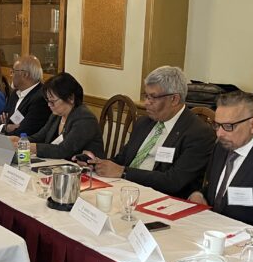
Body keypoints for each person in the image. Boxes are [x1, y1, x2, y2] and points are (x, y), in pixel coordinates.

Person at [85, 66, 215, 199]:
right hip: (124, 190)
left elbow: (174, 181)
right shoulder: (145, 123)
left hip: (162, 200)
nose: (146, 103)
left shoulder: (198, 133)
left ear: (174, 99)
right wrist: (95, 164)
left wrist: (124, 172)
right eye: (146, 96)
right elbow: (121, 160)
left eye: (153, 97)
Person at [187, 91, 253, 230]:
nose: (220, 133)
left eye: (228, 126)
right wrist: (199, 194)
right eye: (217, 125)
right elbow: (215, 190)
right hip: (211, 230)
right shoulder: (222, 147)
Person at [12, 72, 103, 160]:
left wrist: (28, 146)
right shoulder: (57, 115)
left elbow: (63, 150)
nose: (49, 105)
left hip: (88, 171)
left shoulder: (85, 119)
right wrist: (20, 140)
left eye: (52, 101)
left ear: (70, 98)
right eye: (47, 101)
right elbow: (40, 137)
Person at [0, 55, 50, 136]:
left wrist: (3, 127)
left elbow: (24, 131)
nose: (11, 75)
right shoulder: (15, 93)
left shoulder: (40, 98)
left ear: (25, 74)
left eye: (13, 72)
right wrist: (6, 127)